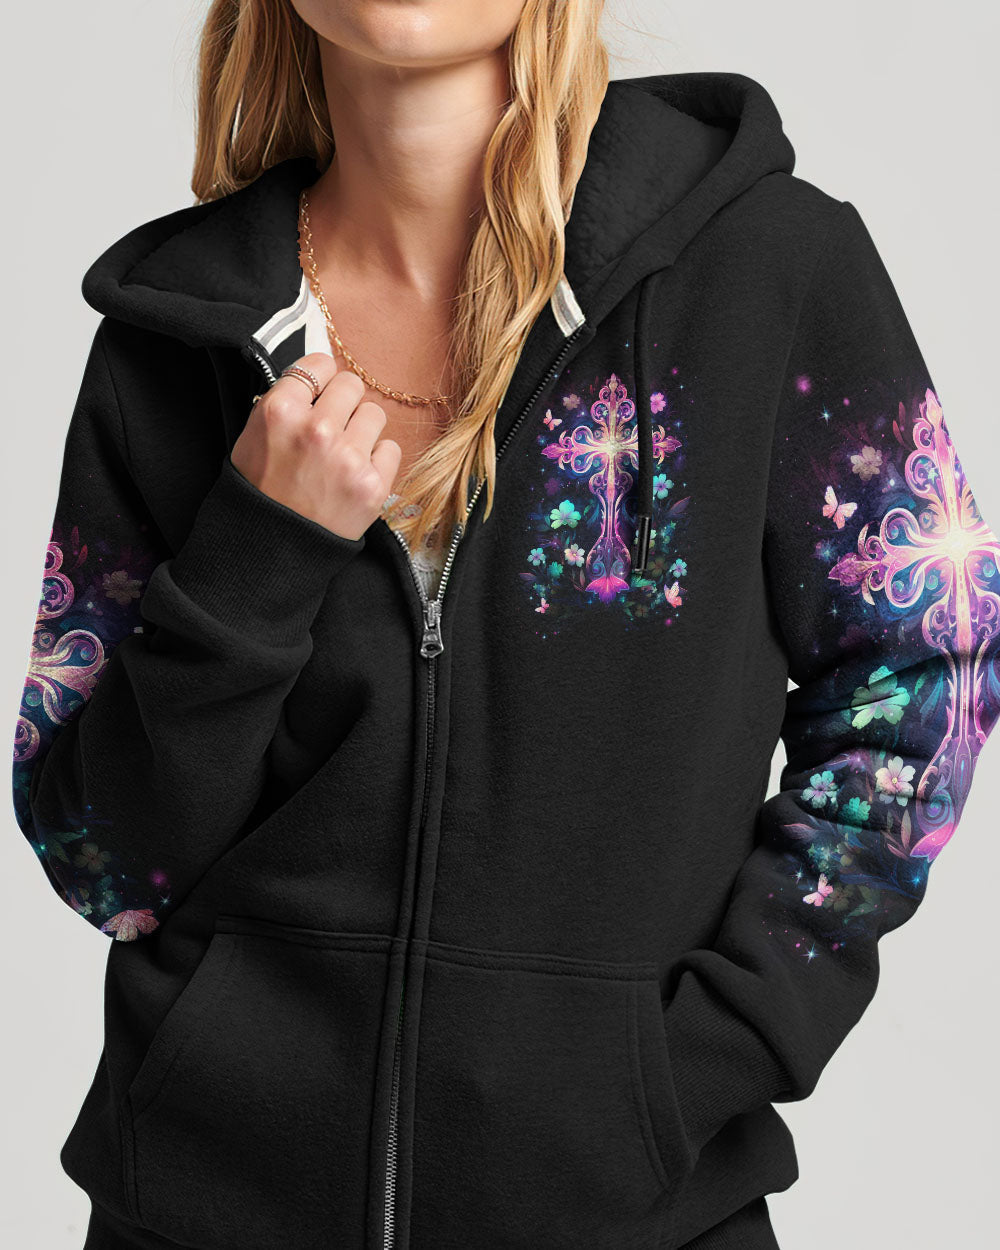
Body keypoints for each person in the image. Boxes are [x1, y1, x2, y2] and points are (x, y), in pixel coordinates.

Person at [12, 3, 1000, 1248]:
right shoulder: (176, 335)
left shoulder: (767, 270)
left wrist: (694, 1061)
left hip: (629, 1216)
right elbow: (105, 860)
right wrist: (257, 552)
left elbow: (928, 672)